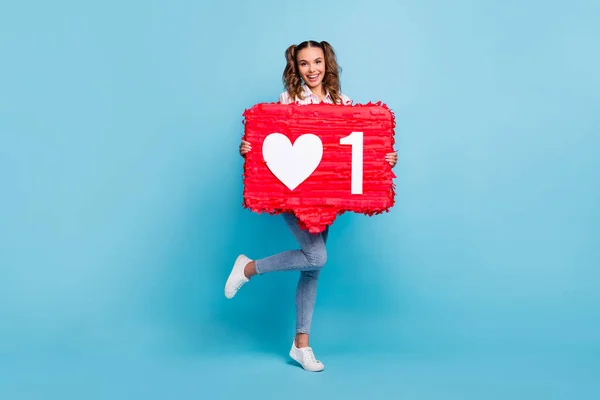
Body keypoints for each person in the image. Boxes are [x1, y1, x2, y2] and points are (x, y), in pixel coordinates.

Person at [225, 40, 398, 372]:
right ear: (296, 68)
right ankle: (248, 268)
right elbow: (270, 142)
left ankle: (300, 346)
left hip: (327, 196)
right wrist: (249, 146)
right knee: (316, 256)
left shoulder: (343, 103)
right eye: (304, 64)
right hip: (295, 193)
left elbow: (358, 148)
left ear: (327, 63)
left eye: (317, 61)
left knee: (311, 268)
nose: (312, 69)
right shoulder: (288, 102)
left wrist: (384, 157)